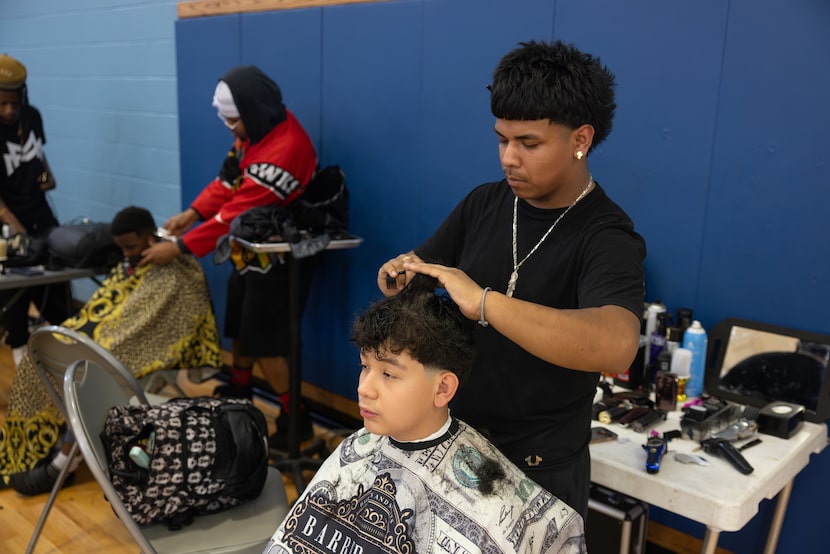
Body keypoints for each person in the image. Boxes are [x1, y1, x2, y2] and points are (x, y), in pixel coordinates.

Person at [376, 40, 646, 518]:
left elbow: (616, 345)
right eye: (502, 139)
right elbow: (421, 270)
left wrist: (485, 302)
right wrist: (398, 275)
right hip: (456, 445)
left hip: (539, 469)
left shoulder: (606, 235)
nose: (508, 158)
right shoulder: (484, 203)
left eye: (529, 143)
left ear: (581, 140)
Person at [264, 275, 585, 553]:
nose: (364, 388)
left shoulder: (493, 508)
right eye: (364, 367)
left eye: (388, 374)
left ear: (443, 388)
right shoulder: (356, 446)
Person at [140, 65, 318, 448]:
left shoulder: (285, 150)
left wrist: (180, 247)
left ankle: (295, 418)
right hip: (249, 251)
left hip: (277, 257)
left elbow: (234, 214)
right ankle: (240, 392)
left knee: (264, 342)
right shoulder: (254, 131)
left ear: (253, 112)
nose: (231, 130)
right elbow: (227, 183)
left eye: (234, 122)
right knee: (239, 326)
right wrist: (192, 213)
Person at [0, 206, 222, 494]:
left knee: (83, 376)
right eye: (121, 248)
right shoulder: (129, 265)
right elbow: (103, 312)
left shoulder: (179, 272)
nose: (126, 254)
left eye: (131, 246)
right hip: (117, 342)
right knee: (39, 364)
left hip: (151, 352)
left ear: (149, 236)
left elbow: (170, 329)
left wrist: (97, 348)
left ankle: (65, 461)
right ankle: (30, 451)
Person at [0, 53, 71, 362]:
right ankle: (18, 351)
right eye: (2, 104)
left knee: (56, 278)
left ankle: (65, 341)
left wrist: (46, 177)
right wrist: (11, 222)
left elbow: (37, 154)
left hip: (40, 213)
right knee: (14, 289)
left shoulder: (32, 116)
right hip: (7, 220)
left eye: (14, 103)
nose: (9, 110)